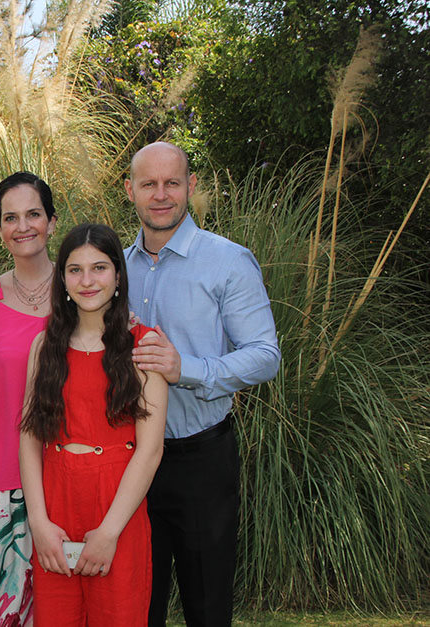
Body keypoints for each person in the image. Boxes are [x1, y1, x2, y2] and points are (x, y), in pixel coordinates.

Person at [123, 141, 281, 626]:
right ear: (130, 190)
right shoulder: (111, 267)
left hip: (201, 460)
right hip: (128, 462)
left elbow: (265, 355)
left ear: (191, 186)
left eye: (172, 182)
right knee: (136, 604)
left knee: (207, 606)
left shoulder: (228, 261)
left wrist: (184, 368)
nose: (161, 194)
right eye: (149, 183)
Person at [19, 223, 168, 626]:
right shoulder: (44, 346)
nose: (87, 281)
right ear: (62, 278)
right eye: (75, 269)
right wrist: (39, 522)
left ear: (118, 275)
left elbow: (150, 451)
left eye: (99, 268)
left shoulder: (144, 345)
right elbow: (30, 437)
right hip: (56, 503)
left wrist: (109, 532)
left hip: (117, 504)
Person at [0, 171, 57, 626]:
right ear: (0, 227)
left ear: (52, 221)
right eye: (10, 217)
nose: (22, 226)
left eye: (33, 214)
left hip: (64, 474)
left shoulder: (81, 291)